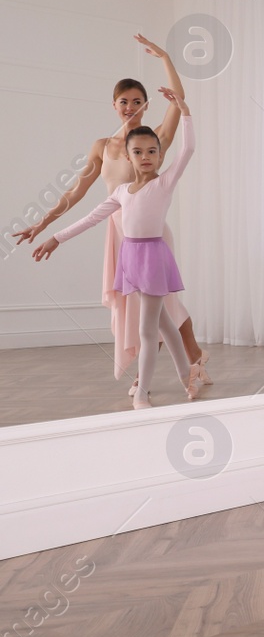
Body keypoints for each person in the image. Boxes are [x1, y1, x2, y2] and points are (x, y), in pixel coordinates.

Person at [12, 34, 210, 393]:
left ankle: (149, 375)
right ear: (114, 105)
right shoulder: (103, 146)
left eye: (137, 101)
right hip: (117, 232)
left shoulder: (156, 140)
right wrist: (44, 224)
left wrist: (165, 57)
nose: (130, 107)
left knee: (163, 304)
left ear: (146, 105)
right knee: (158, 309)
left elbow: (180, 102)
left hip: (150, 234)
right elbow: (77, 193)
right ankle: (194, 359)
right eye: (124, 102)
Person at [33, 88, 200, 409]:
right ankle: (186, 376)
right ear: (127, 156)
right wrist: (56, 237)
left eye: (153, 151)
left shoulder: (163, 183)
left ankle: (142, 392)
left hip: (154, 258)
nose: (147, 156)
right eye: (139, 152)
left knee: (147, 330)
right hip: (131, 259)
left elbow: (189, 148)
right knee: (165, 323)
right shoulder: (122, 192)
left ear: (161, 156)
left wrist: (184, 109)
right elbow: (89, 219)